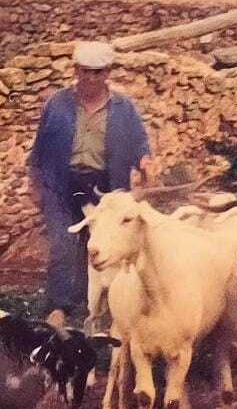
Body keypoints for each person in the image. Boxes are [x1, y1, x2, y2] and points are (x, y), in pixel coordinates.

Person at [27, 40, 152, 325]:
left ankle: (88, 307)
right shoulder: (57, 104)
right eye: (85, 72)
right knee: (62, 243)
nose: (91, 79)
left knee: (96, 246)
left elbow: (140, 141)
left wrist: (145, 159)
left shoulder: (123, 108)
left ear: (108, 72)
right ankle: (57, 307)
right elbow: (39, 148)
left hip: (103, 188)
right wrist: (34, 185)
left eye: (98, 72)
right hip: (61, 183)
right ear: (76, 70)